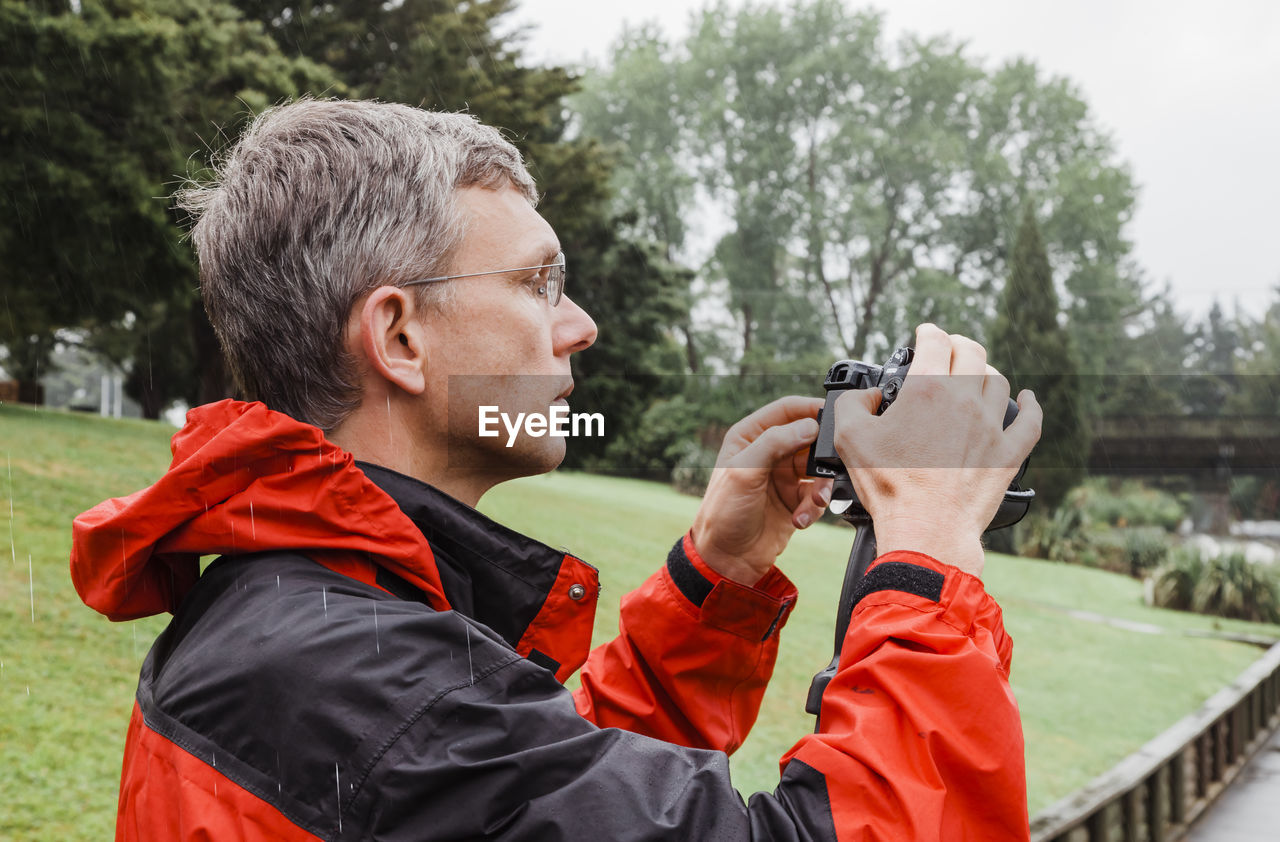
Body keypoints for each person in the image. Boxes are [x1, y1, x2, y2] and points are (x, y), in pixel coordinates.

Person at [71, 99, 1042, 841]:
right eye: (538, 283)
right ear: (399, 335)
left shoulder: (310, 622)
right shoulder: (349, 681)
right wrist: (927, 548)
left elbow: (537, 793)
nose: (580, 326)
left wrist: (715, 576)